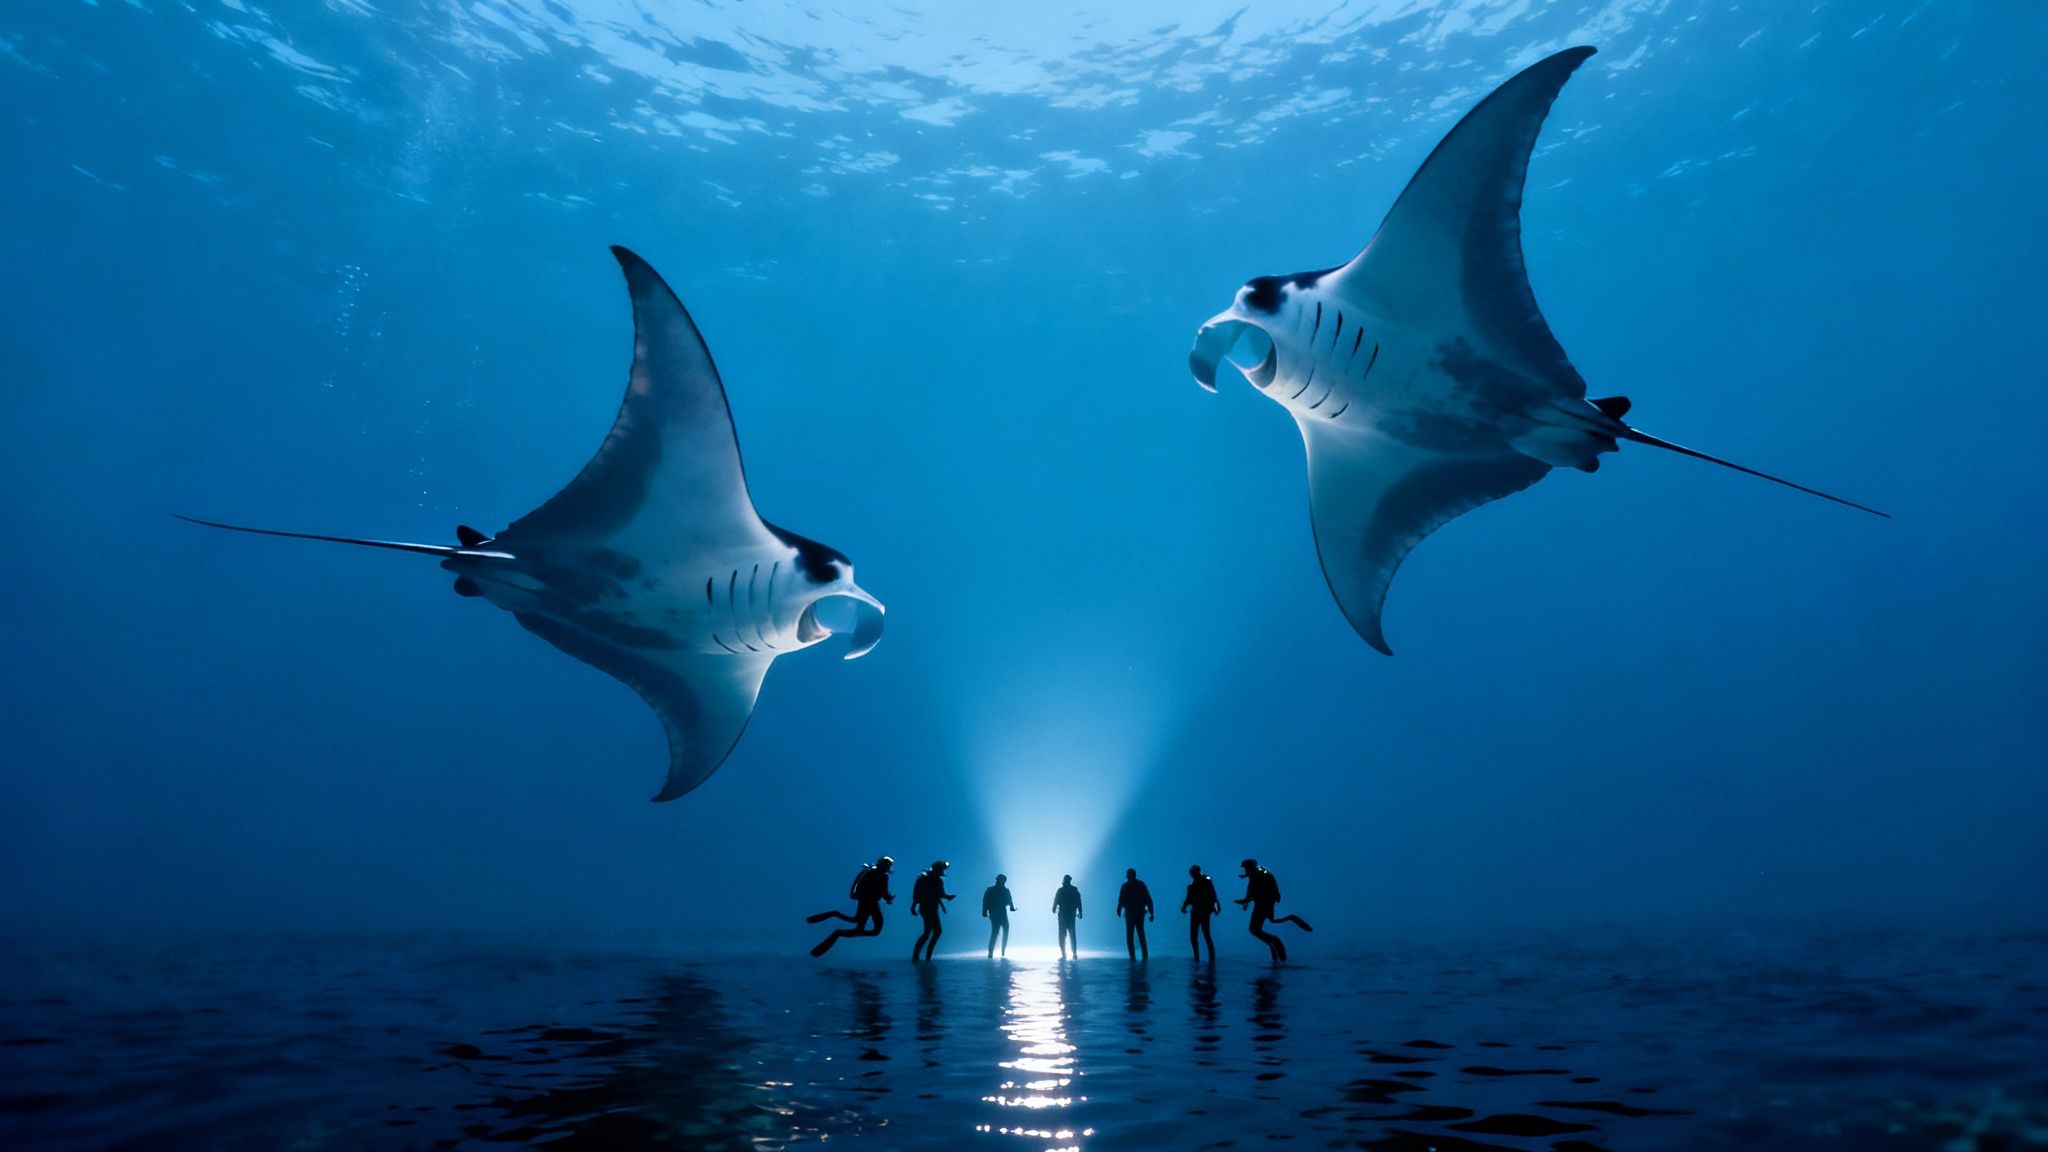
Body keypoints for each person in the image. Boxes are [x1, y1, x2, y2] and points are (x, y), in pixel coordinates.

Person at [809, 856, 895, 957]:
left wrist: (887, 898)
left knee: (859, 924)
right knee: (874, 930)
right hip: (870, 903)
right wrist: (889, 898)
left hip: (866, 902)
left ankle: (835, 925)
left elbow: (880, 891)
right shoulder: (882, 876)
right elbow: (883, 892)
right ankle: (836, 926)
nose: (890, 867)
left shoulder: (872, 873)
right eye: (889, 865)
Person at [1235, 858, 1312, 962]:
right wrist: (1246, 901)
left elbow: (1252, 892)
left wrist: (1244, 901)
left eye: (1245, 868)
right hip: (1266, 903)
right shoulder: (1261, 873)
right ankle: (1275, 949)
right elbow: (1255, 891)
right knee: (1268, 923)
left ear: (1250, 867)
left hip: (1262, 905)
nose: (1244, 870)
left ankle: (1275, 943)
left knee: (1254, 929)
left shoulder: (1256, 876)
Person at [910, 860, 956, 961]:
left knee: (929, 932)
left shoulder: (923, 878)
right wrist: (949, 897)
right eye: (942, 869)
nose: (943, 870)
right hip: (930, 908)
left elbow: (916, 894)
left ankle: (919, 955)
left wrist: (913, 906)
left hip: (925, 908)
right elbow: (941, 894)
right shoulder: (936, 880)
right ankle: (925, 956)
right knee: (936, 931)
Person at [1181, 863, 1220, 962]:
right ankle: (1202, 957)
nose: (1191, 875)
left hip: (1202, 911)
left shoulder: (1205, 881)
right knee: (1200, 935)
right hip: (1200, 911)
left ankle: (1202, 957)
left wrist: (1216, 906)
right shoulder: (1195, 885)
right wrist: (1184, 906)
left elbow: (1213, 894)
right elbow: (1189, 898)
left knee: (1201, 934)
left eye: (1192, 873)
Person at [1116, 867, 1155, 960]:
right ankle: (1145, 955)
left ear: (1128, 876)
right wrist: (1151, 913)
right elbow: (1148, 899)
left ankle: (1132, 956)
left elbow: (1121, 900)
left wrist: (1119, 909)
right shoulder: (1141, 885)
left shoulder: (1125, 886)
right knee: (1141, 933)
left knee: (1130, 935)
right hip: (1140, 913)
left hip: (1129, 914)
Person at [982, 873, 1016, 958]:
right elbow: (1010, 902)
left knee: (995, 932)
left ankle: (992, 952)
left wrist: (984, 911)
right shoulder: (1004, 891)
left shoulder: (991, 890)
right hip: (1000, 914)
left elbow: (985, 901)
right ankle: (1001, 951)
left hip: (995, 914)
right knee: (1002, 931)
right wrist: (1012, 908)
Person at [1052, 874, 1084, 959]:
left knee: (1062, 935)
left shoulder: (1060, 891)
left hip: (1062, 916)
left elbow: (1056, 901)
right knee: (1072, 934)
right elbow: (1079, 902)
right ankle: (1074, 953)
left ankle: (1064, 954)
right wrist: (1080, 912)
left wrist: (1054, 909)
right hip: (1071, 915)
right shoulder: (1074, 890)